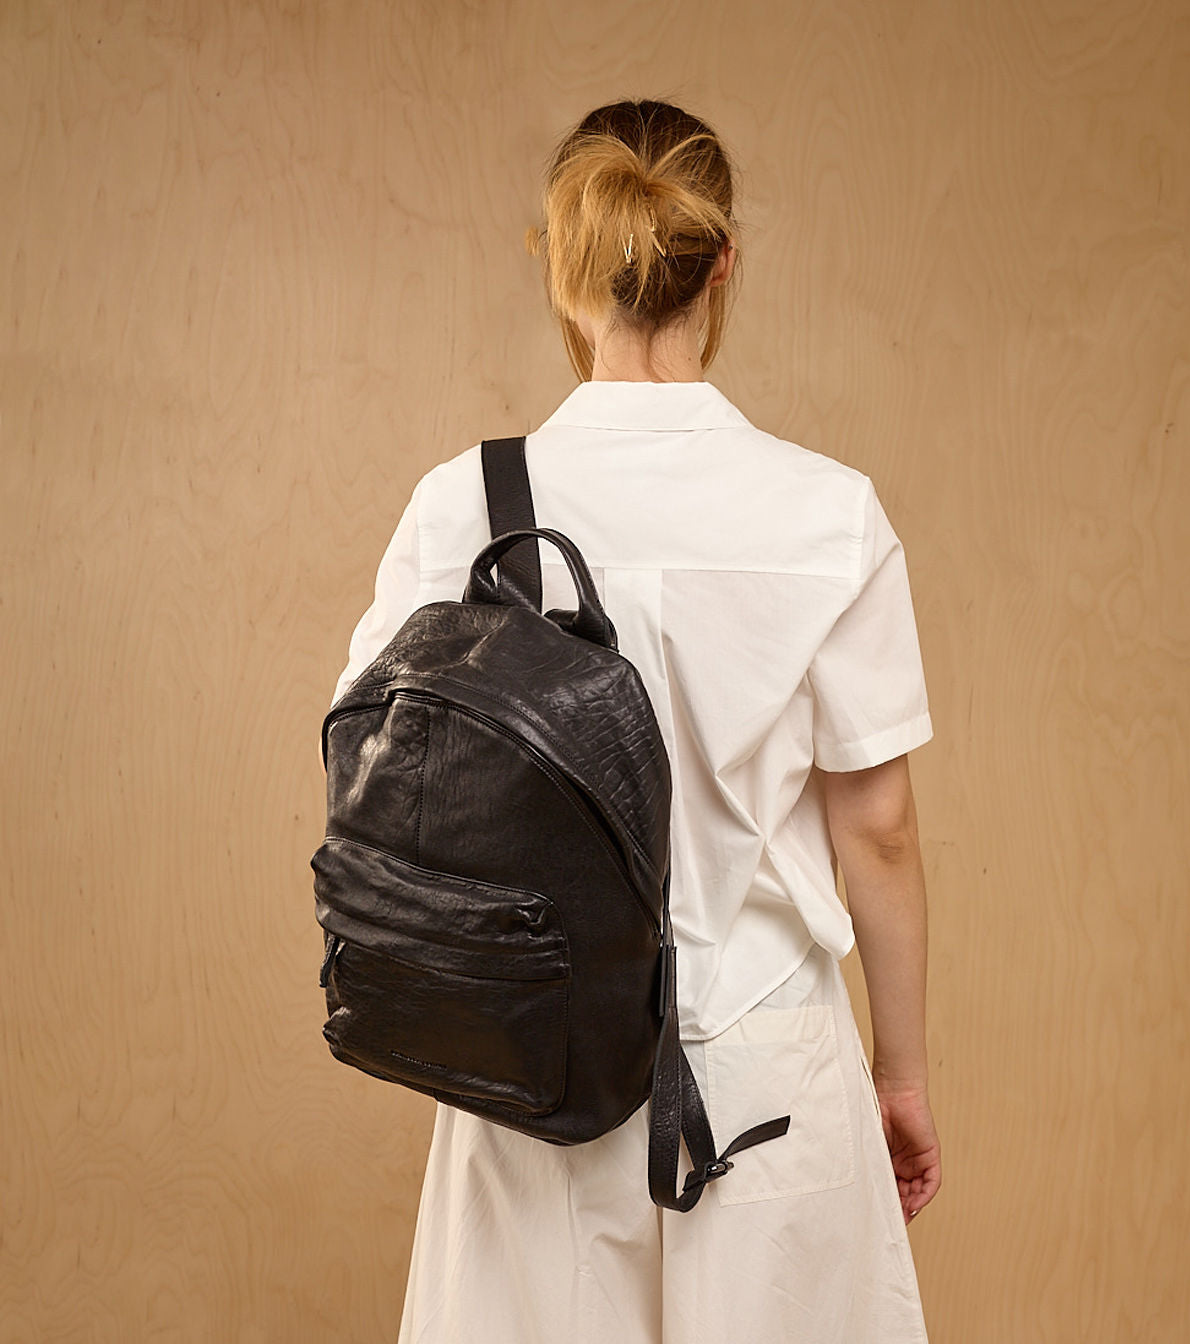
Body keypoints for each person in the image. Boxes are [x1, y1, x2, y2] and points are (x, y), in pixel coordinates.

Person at [326, 97, 941, 1344]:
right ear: (722, 265)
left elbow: (371, 770)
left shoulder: (463, 506)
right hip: (766, 1054)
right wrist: (901, 1073)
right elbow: (875, 832)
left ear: (560, 262)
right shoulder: (827, 513)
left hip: (533, 1059)